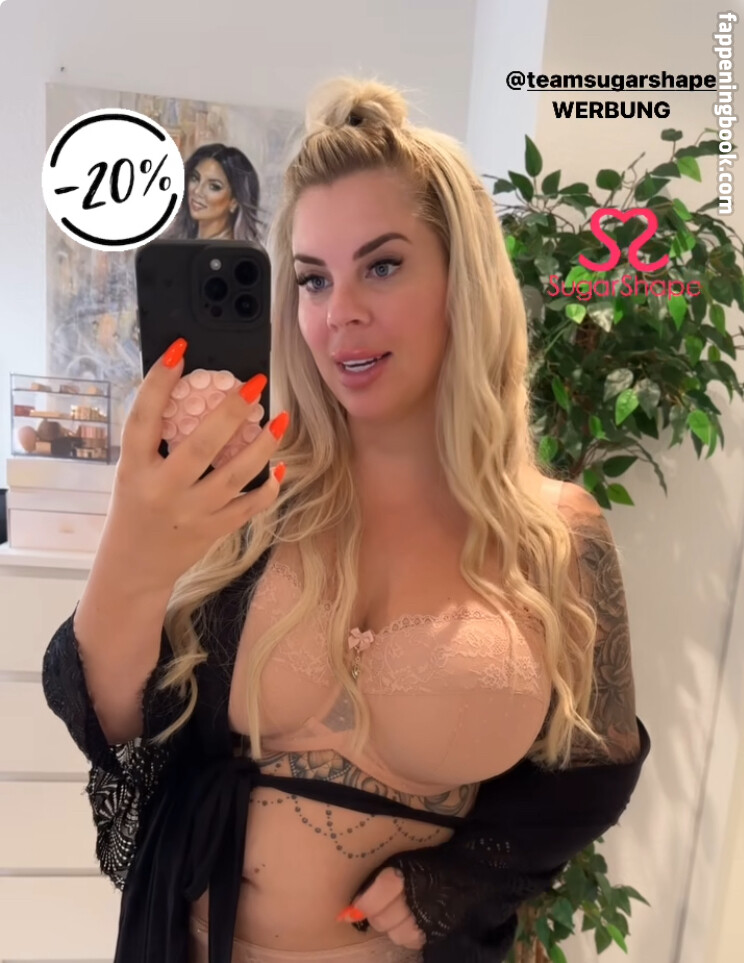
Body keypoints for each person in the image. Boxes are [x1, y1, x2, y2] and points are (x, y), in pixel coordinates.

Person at [42, 77, 650, 963]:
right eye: (312, 279)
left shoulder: (559, 536)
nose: (340, 314)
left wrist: (468, 877)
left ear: (465, 282)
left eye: (383, 265)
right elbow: (106, 719)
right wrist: (131, 548)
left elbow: (598, 772)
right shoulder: (252, 494)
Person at [164, 142, 265, 242]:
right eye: (195, 178)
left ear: (234, 202)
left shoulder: (236, 251)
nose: (197, 191)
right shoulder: (173, 241)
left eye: (214, 187)